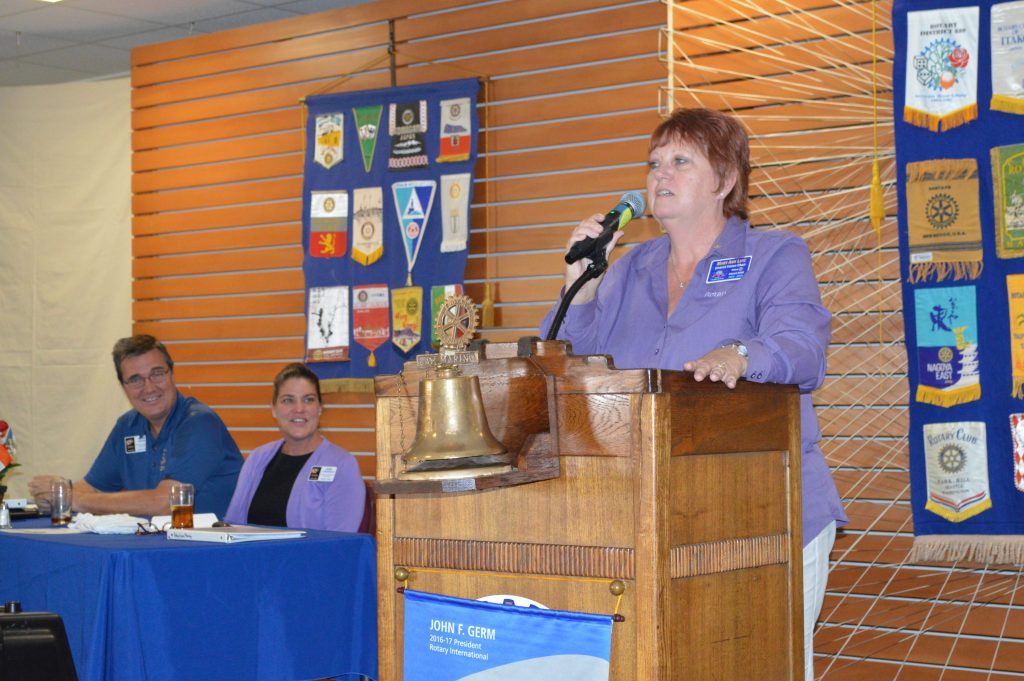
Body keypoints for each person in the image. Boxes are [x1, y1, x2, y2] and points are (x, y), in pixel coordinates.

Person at [540, 107, 847, 679]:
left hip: (768, 511)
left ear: (725, 180)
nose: (661, 175)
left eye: (681, 161)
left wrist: (742, 355)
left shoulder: (774, 255)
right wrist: (580, 286)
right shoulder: (629, 268)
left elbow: (803, 349)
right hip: (654, 515)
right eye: (654, 163)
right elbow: (568, 366)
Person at [28, 334, 243, 517]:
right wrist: (56, 493)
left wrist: (73, 499)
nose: (149, 388)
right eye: (135, 379)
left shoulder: (199, 422)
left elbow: (166, 502)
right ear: (123, 386)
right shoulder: (128, 426)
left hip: (207, 550)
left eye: (157, 373)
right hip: (152, 545)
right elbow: (93, 486)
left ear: (172, 373)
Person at [224, 363, 365, 532]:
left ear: (320, 408)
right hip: (251, 557)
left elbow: (340, 545)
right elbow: (232, 528)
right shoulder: (257, 458)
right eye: (288, 400)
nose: (299, 409)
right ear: (274, 410)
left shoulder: (342, 465)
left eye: (308, 399)